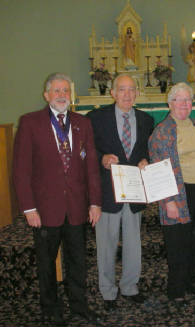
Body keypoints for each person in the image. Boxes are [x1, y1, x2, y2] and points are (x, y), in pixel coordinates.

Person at [13, 73, 102, 326]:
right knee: (46, 263)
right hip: (44, 209)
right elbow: (21, 171)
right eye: (56, 90)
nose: (62, 95)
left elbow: (91, 167)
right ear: (46, 95)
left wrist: (95, 202)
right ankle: (50, 308)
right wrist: (29, 208)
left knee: (78, 261)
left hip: (76, 207)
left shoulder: (82, 123)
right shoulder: (30, 123)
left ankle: (78, 306)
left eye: (65, 90)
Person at [87, 74, 154, 311]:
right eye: (122, 90)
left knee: (134, 242)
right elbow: (85, 151)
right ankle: (107, 291)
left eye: (131, 89)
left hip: (134, 191)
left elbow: (148, 149)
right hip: (108, 191)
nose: (127, 94)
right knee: (106, 243)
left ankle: (129, 287)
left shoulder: (146, 119)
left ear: (137, 93)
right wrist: (101, 158)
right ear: (113, 93)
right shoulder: (96, 118)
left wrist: (147, 159)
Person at [148, 82, 195, 301]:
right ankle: (176, 290)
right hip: (179, 195)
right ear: (170, 103)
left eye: (188, 100)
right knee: (178, 243)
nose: (185, 104)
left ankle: (192, 282)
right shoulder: (162, 131)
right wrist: (168, 201)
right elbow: (157, 169)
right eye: (180, 100)